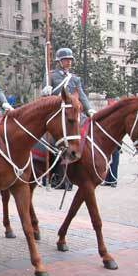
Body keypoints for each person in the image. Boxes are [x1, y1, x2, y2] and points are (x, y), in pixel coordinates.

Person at [42, 47, 96, 189]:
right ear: (59, 61)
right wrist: (45, 91)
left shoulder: (75, 79)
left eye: (70, 60)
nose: (69, 62)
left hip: (72, 113)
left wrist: (89, 109)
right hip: (57, 113)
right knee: (52, 142)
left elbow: (82, 96)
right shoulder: (51, 76)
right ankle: (52, 174)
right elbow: (45, 98)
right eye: (66, 60)